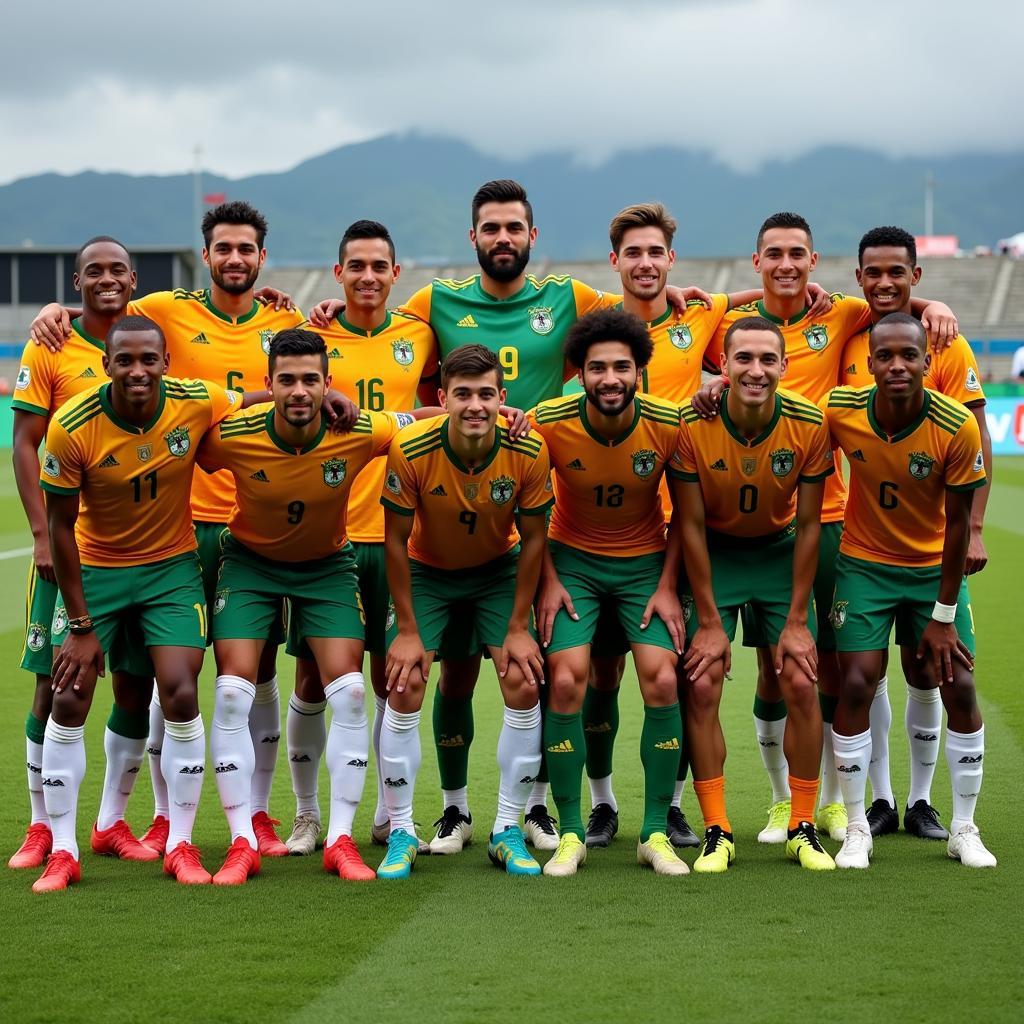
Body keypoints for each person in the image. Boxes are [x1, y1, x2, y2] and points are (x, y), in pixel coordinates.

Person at [310, 180, 708, 853]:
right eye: (490, 228)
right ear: (474, 238)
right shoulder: (434, 302)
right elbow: (368, 316)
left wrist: (709, 302)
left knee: (544, 671)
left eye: (513, 228)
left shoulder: (571, 299)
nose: (502, 238)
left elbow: (645, 297)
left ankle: (536, 811)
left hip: (538, 504)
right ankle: (453, 811)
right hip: (448, 506)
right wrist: (328, 304)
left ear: (532, 236)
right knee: (455, 674)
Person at [28, 201, 316, 859]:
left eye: (247, 248)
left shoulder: (286, 317)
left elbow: (299, 378)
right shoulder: (165, 309)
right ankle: (162, 818)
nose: (236, 258)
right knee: (166, 679)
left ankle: (261, 817)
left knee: (256, 671)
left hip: (253, 529)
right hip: (180, 527)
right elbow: (109, 315)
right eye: (224, 247)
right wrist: (57, 312)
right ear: (207, 252)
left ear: (262, 257)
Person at [694, 212, 957, 845]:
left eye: (798, 255)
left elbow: (888, 297)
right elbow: (691, 345)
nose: (787, 265)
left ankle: (850, 801)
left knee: (839, 666)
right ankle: (784, 802)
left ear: (815, 262)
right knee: (769, 668)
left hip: (835, 514)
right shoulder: (725, 325)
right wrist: (708, 380)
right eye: (774, 255)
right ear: (757, 262)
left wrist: (935, 302)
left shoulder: (840, 314)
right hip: (759, 521)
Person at [197, 328, 422, 883]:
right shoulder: (235, 434)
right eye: (287, 380)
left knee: (346, 692)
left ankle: (340, 840)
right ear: (269, 383)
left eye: (311, 380)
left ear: (328, 383)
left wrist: (509, 411)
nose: (299, 391)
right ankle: (242, 840)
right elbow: (187, 428)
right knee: (231, 692)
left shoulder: (358, 429)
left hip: (326, 567)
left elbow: (425, 416)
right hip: (250, 565)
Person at [31, 315, 244, 891]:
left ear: (166, 363)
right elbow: (59, 528)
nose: (138, 371)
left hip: (170, 571)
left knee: (178, 689)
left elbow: (260, 395)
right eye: (124, 360)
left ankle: (179, 843)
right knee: (68, 697)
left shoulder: (195, 400)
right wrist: (79, 624)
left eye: (149, 359)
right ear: (106, 365)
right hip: (96, 570)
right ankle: (65, 850)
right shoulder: (72, 426)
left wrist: (333, 401)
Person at [824, 312, 994, 869]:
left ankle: (963, 828)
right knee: (854, 682)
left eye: (909, 356)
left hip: (929, 570)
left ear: (927, 362)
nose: (897, 365)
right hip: (864, 567)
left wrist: (944, 614)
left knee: (959, 683)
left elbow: (960, 527)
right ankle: (856, 828)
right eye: (885, 356)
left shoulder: (954, 425)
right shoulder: (842, 411)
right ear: (869, 363)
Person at [379, 343, 553, 878]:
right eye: (462, 394)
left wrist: (520, 626)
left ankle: (506, 827)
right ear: (442, 398)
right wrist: (407, 630)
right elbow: (394, 541)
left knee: (523, 680)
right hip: (428, 573)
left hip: (497, 573)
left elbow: (534, 539)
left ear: (502, 397)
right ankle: (403, 830)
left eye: (485, 394)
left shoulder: (528, 449)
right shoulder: (410, 448)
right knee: (405, 682)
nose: (475, 405)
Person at [671, 316, 835, 872]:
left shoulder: (809, 423)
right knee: (701, 682)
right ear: (724, 366)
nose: (757, 370)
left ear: (785, 367)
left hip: (777, 553)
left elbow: (811, 526)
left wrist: (795, 620)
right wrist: (712, 622)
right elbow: (689, 526)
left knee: (799, 678)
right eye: (744, 359)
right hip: (715, 555)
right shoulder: (694, 425)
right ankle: (717, 829)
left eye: (768, 360)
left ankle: (802, 824)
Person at [530, 308, 687, 878]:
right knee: (568, 678)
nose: (610, 378)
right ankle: (571, 831)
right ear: (580, 374)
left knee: (664, 677)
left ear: (640, 372)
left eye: (622, 366)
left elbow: (687, 518)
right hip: (573, 564)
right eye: (598, 368)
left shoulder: (668, 424)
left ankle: (653, 832)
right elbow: (528, 510)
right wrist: (548, 581)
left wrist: (669, 587)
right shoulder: (548, 421)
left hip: (645, 566)